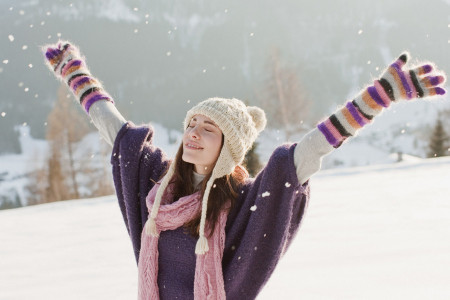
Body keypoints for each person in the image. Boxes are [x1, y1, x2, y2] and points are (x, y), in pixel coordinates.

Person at [43, 41, 446, 299]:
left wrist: (376, 99)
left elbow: (302, 156)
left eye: (208, 129)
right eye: (191, 125)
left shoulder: (243, 202)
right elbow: (119, 134)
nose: (193, 135)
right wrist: (76, 76)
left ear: (228, 150)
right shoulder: (158, 186)